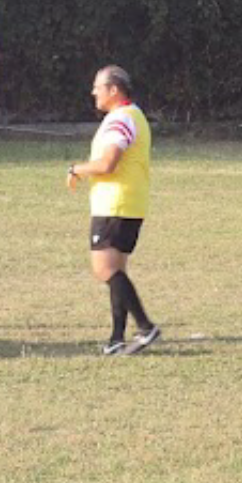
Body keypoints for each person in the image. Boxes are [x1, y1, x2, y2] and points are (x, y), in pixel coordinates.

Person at [66, 64, 161, 356]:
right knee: (117, 270)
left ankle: (145, 327)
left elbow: (108, 163)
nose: (93, 92)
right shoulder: (133, 115)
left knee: (104, 269)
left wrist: (77, 169)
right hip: (128, 203)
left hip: (115, 204)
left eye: (98, 87)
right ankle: (116, 337)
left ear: (114, 89)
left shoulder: (121, 118)